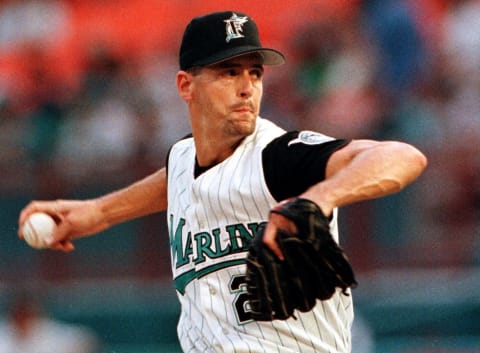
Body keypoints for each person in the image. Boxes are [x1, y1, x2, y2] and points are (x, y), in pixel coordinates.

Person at [18, 11, 427, 353]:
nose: (248, 87)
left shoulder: (278, 156)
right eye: (229, 72)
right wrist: (98, 211)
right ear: (185, 85)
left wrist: (318, 199)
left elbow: (402, 156)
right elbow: (180, 179)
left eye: (255, 73)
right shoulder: (182, 157)